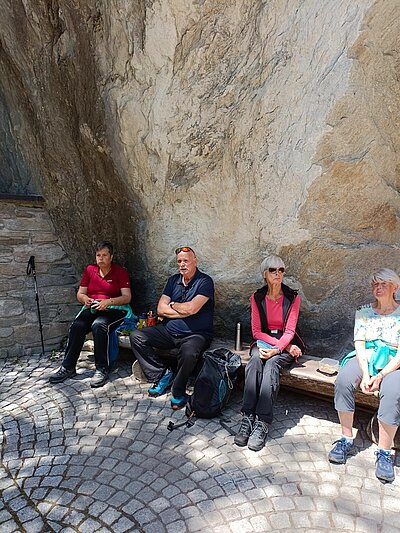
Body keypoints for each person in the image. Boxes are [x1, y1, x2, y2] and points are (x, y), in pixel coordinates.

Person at [328, 268, 400, 483]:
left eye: (383, 284)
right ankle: (346, 437)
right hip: (366, 359)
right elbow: (359, 345)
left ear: (394, 287)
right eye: (375, 285)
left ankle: (385, 452)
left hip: (393, 363)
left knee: (393, 391)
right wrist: (367, 375)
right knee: (343, 380)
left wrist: (381, 376)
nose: (378, 288)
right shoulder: (364, 311)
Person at [234, 254, 305, 451]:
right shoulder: (257, 297)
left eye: (281, 270)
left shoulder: (293, 297)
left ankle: (263, 421)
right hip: (265, 341)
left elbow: (290, 331)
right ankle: (248, 417)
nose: (277, 274)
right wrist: (276, 347)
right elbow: (257, 332)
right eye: (273, 270)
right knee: (255, 360)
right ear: (264, 274)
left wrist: (278, 349)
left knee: (272, 365)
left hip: (285, 341)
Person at [130, 246, 214, 410]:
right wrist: (183, 312)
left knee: (189, 353)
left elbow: (193, 308)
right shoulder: (173, 281)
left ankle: (179, 389)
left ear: (195, 261)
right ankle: (162, 374)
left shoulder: (205, 281)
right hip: (168, 331)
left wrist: (174, 305)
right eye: (179, 261)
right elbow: (161, 309)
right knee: (137, 336)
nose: (182, 264)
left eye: (186, 261)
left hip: (195, 334)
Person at [49, 241, 132, 388]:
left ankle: (101, 369)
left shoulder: (120, 272)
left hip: (116, 309)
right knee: (77, 325)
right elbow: (80, 294)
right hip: (93, 307)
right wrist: (85, 300)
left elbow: (127, 297)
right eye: (98, 255)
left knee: (99, 325)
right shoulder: (90, 270)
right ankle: (68, 367)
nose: (101, 258)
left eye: (104, 255)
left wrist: (108, 302)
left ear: (111, 257)